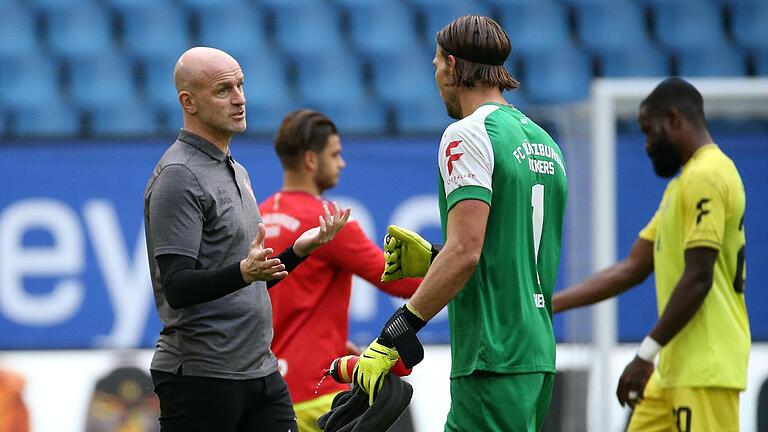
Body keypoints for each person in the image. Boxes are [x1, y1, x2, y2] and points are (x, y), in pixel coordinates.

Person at [354, 15, 568, 431]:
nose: (434, 74)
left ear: (452, 66)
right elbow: (508, 252)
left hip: (491, 352)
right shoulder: (545, 142)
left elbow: (467, 252)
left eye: (435, 63)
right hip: (535, 353)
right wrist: (435, 256)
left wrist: (396, 330)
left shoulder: (467, 134)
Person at [143, 47, 350, 432]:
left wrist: (299, 250)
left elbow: (250, 282)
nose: (240, 98)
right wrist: (243, 271)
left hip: (261, 371)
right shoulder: (178, 175)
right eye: (223, 90)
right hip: (202, 378)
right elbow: (178, 285)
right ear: (188, 102)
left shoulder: (236, 169)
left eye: (240, 85)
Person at [552, 77, 749, 431]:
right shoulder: (681, 186)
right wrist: (551, 305)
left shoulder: (709, 173)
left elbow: (699, 276)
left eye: (649, 131)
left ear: (674, 119)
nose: (646, 145)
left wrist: (644, 355)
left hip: (706, 367)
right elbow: (632, 267)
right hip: (675, 367)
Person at [259, 109, 421, 432]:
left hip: (268, 395)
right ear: (310, 160)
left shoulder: (259, 216)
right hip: (317, 392)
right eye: (335, 154)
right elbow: (399, 282)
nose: (342, 163)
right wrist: (453, 265)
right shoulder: (327, 223)